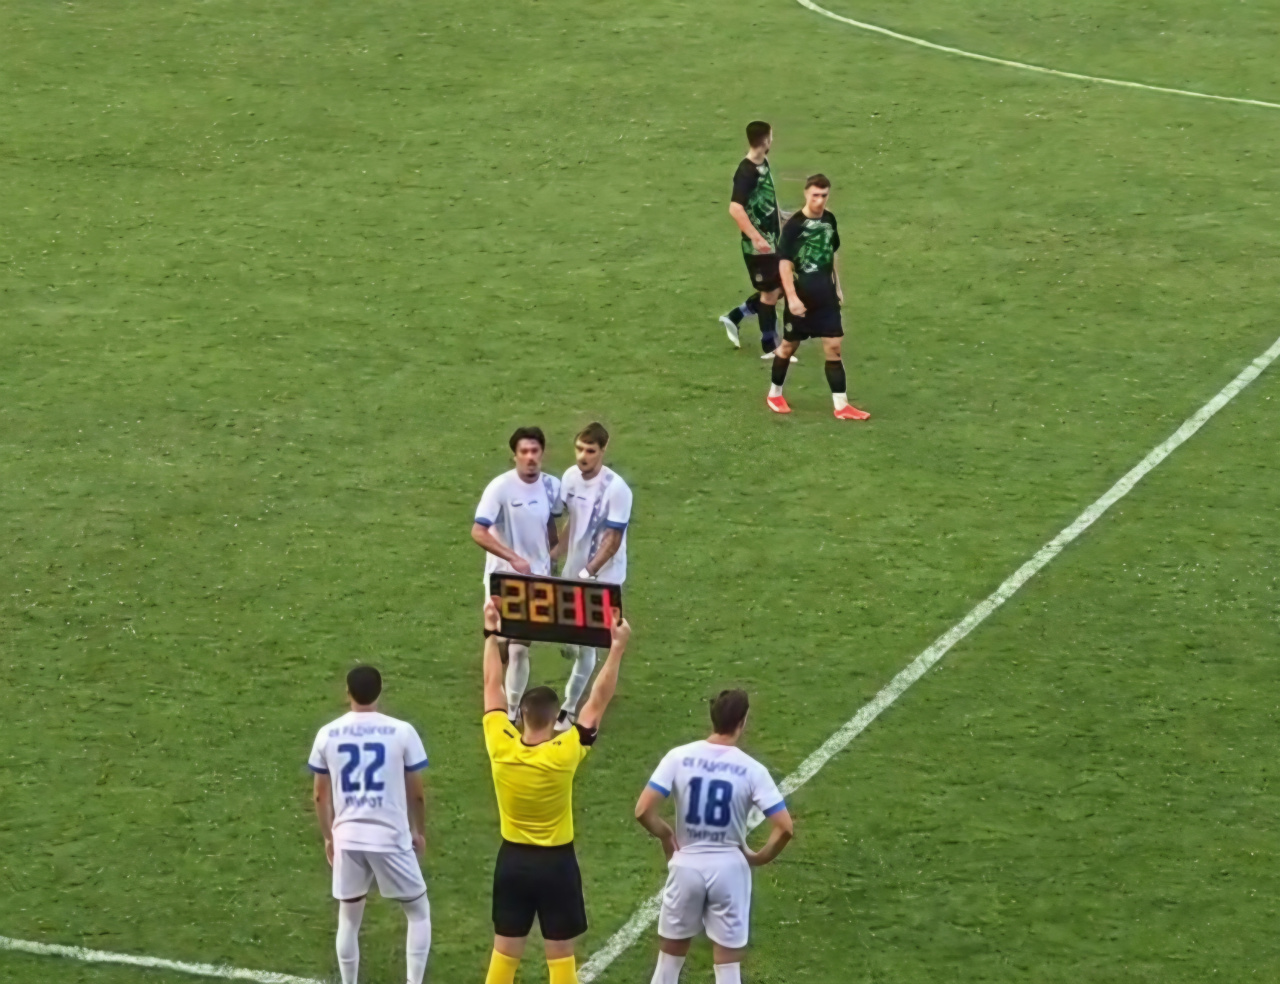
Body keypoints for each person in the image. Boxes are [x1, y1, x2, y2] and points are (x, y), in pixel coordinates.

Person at [480, 598, 632, 984]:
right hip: (556, 864)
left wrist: (491, 633)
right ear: (553, 720)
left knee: (504, 955)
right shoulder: (563, 753)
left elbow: (492, 685)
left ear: (522, 716)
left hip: (512, 861)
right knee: (561, 959)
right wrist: (617, 648)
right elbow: (597, 701)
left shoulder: (500, 744)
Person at [634, 690, 794, 984]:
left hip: (686, 865)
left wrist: (667, 835)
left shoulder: (678, 757)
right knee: (728, 970)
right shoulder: (752, 769)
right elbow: (784, 827)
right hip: (729, 869)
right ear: (743, 721)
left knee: (667, 966)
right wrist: (758, 857)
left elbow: (643, 810)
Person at [309, 665, 432, 984]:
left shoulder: (327, 734)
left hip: (347, 837)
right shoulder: (402, 732)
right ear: (380, 691)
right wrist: (418, 831)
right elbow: (417, 794)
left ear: (347, 692)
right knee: (418, 912)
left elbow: (320, 796)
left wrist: (329, 837)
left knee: (349, 918)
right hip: (389, 837)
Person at [472, 426, 564, 720]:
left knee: (520, 649)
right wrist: (513, 558)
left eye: (535, 451)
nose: (530, 457)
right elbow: (478, 531)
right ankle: (497, 691)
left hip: (536, 579)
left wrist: (553, 563)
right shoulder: (500, 488)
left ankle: (511, 713)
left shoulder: (551, 486)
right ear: (515, 455)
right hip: (501, 579)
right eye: (524, 451)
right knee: (500, 644)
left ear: (542, 453)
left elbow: (551, 523)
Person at [766, 174, 869, 420]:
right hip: (802, 298)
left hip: (826, 297)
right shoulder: (794, 226)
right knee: (788, 346)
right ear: (806, 194)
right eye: (815, 195)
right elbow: (784, 264)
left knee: (834, 347)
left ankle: (841, 406)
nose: (819, 200)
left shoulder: (829, 220)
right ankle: (774, 394)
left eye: (823, 195)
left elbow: (831, 252)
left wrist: (838, 286)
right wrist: (792, 298)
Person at [552, 421, 634, 731]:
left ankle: (569, 708)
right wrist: (554, 554)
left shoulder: (616, 489)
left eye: (589, 451)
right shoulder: (570, 478)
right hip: (575, 569)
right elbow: (572, 521)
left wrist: (588, 573)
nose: (582, 456)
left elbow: (612, 541)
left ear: (603, 451)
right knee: (567, 637)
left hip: (604, 577)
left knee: (586, 643)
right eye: (579, 449)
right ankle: (573, 647)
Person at [718, 121, 794, 363]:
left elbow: (767, 195)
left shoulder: (763, 163)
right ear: (766, 140)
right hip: (758, 247)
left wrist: (780, 215)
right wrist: (756, 237)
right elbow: (735, 208)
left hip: (772, 240)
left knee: (779, 288)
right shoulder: (746, 172)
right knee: (771, 294)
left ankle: (735, 316)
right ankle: (770, 346)